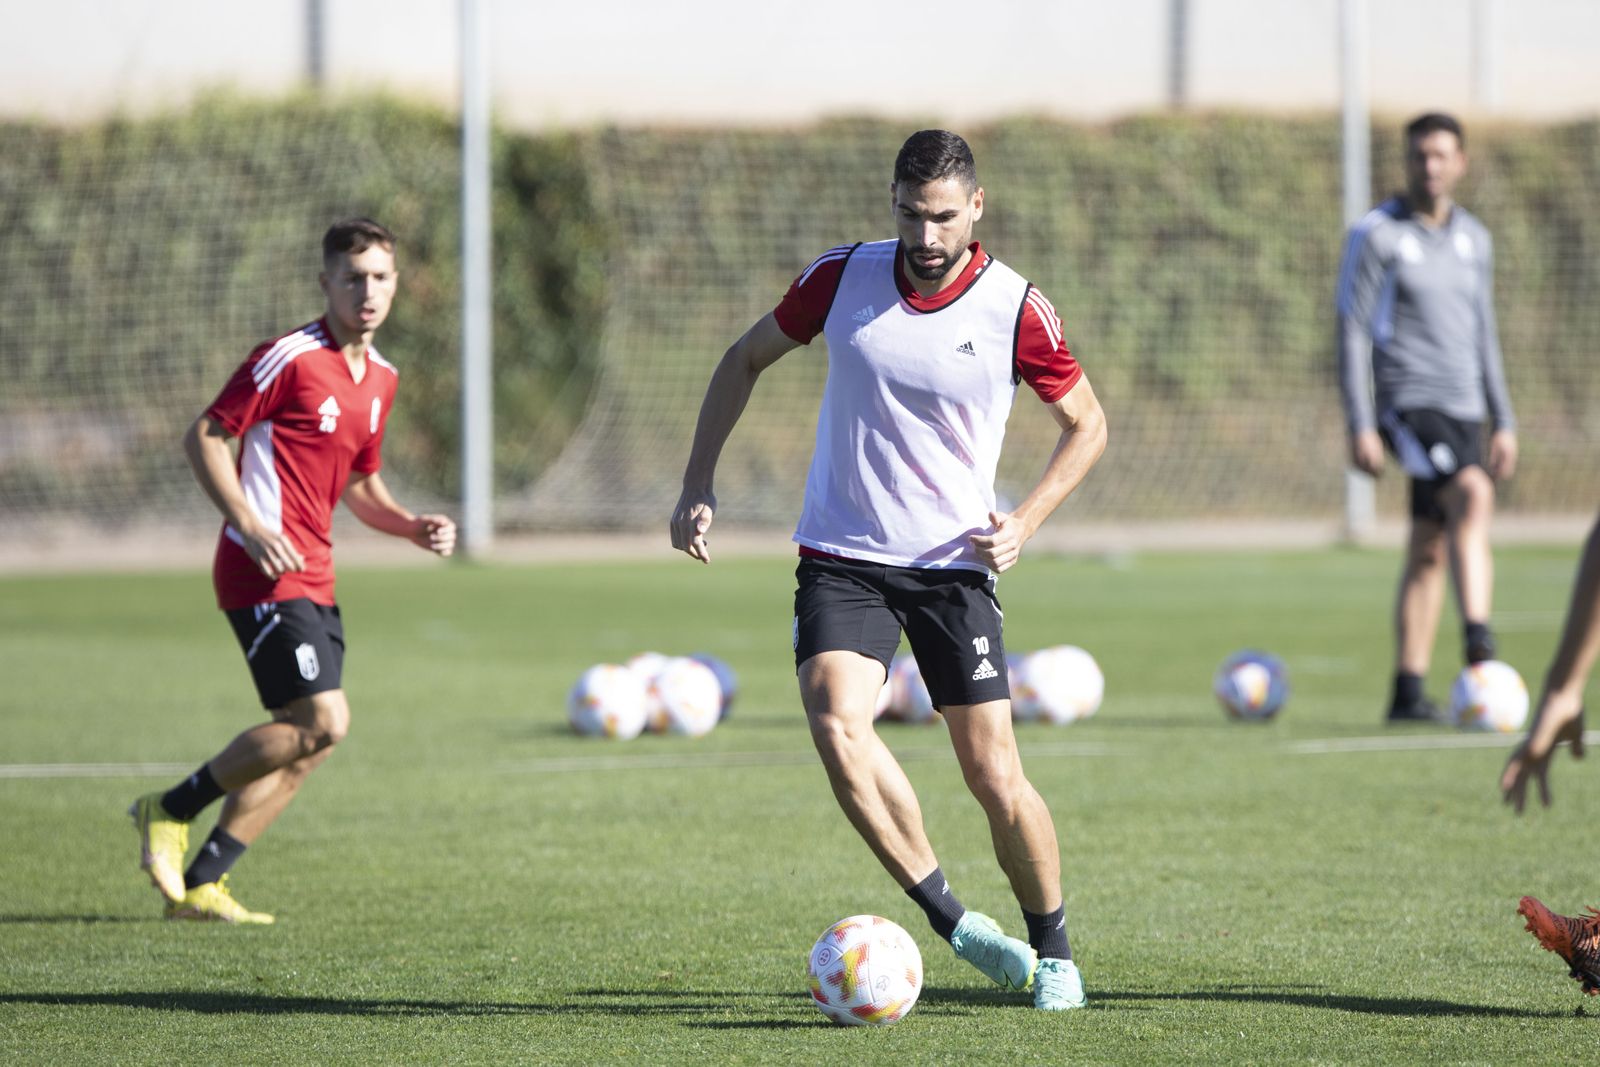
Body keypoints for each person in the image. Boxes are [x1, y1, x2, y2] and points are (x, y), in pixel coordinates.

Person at [669, 130, 1107, 1011]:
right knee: (837, 722)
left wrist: (1023, 522)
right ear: (893, 202)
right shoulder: (842, 277)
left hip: (952, 568)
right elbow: (743, 357)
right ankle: (954, 922)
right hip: (844, 556)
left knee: (994, 774)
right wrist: (696, 481)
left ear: (976, 208)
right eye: (911, 213)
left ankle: (1052, 944)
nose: (926, 235)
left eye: (944, 216)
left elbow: (1087, 424)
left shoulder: (1017, 308)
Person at [129, 218, 456, 923]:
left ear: (395, 284)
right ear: (326, 283)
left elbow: (363, 486)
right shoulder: (289, 358)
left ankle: (202, 884)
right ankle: (169, 806)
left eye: (379, 277)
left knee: (306, 746)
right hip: (261, 569)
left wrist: (411, 526)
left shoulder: (384, 380)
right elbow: (208, 435)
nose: (366, 291)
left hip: (316, 573)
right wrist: (250, 525)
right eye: (352, 277)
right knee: (323, 720)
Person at [1336, 112, 1518, 723]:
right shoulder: (1378, 234)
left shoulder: (1475, 238)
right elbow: (1354, 329)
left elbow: (1483, 332)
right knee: (1473, 491)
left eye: (1441, 155)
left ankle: (1407, 692)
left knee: (1429, 547)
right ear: (1407, 162)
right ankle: (1478, 636)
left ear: (1460, 162)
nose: (1430, 166)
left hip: (1466, 407)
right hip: (1408, 404)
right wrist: (1362, 422)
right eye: (1419, 156)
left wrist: (1504, 418)